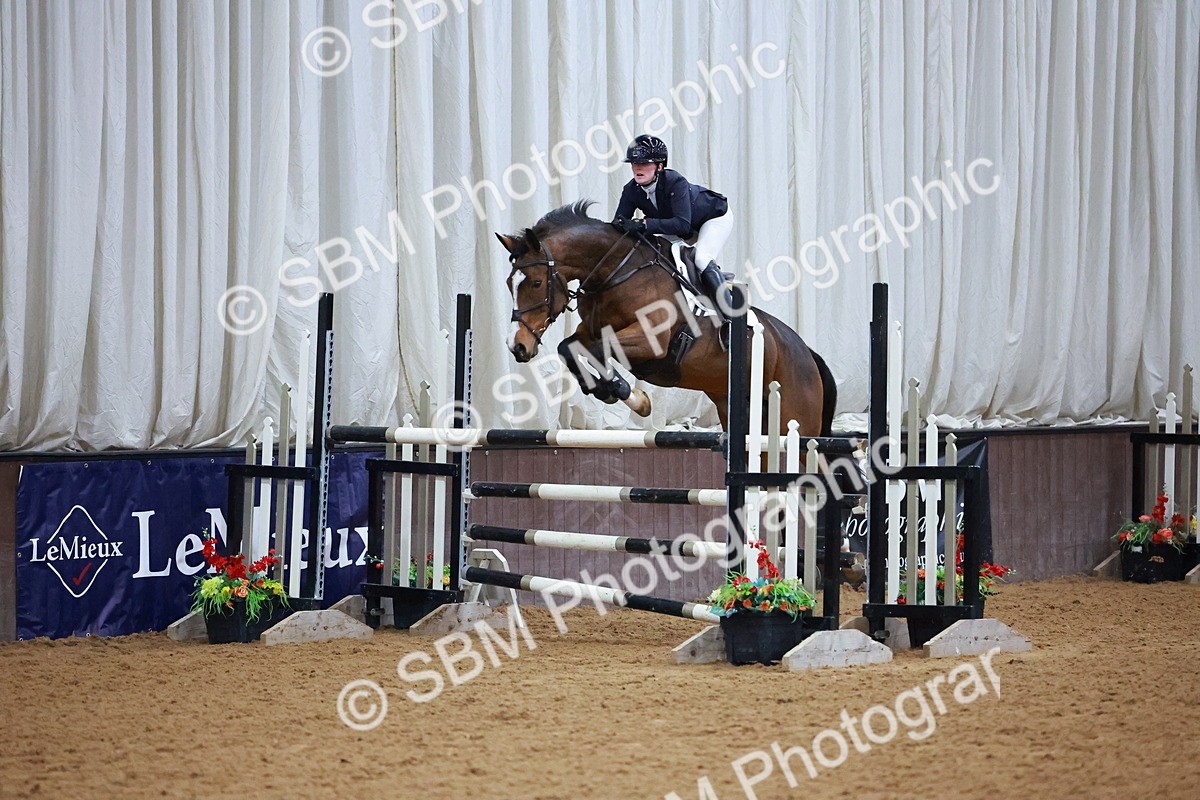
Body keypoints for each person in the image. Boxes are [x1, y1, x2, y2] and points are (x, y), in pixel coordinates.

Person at [611, 135, 735, 327]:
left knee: (701, 258)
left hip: (712, 218)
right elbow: (619, 221)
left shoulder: (675, 182)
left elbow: (682, 225)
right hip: (679, 225)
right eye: (634, 163)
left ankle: (730, 319)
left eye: (644, 163)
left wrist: (643, 225)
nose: (637, 168)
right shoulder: (631, 189)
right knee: (652, 252)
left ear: (660, 166)